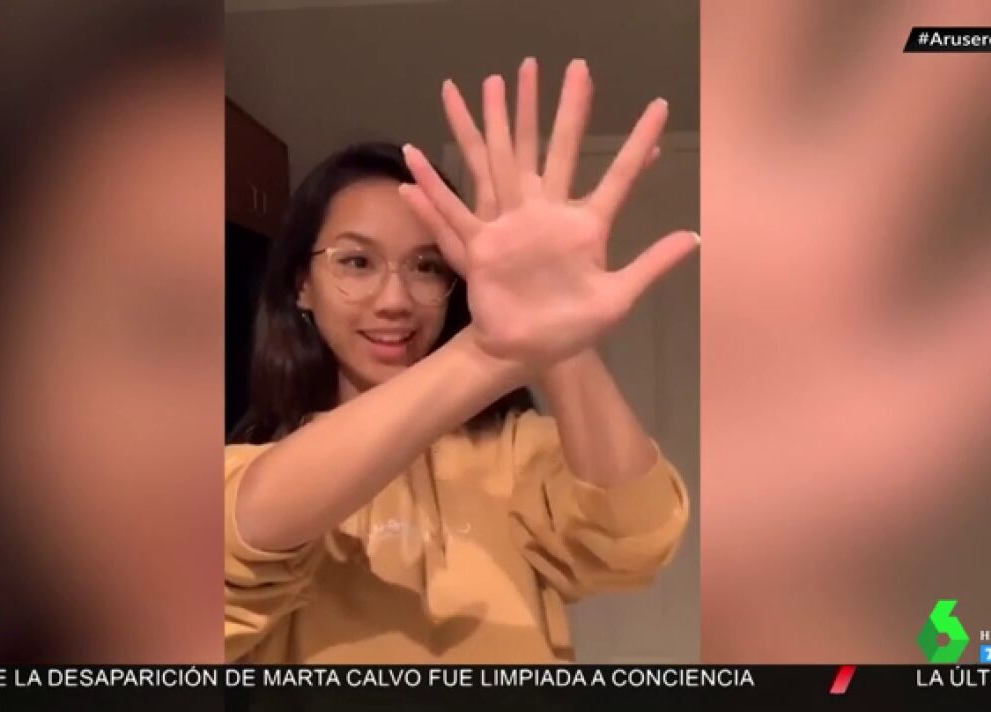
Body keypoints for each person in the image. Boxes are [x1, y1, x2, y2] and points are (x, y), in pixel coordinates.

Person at [225, 58, 699, 663]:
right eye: (357, 262)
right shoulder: (250, 467)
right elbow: (236, 542)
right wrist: (491, 351)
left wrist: (558, 332)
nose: (395, 300)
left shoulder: (515, 453)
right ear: (301, 286)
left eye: (427, 266)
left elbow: (636, 537)